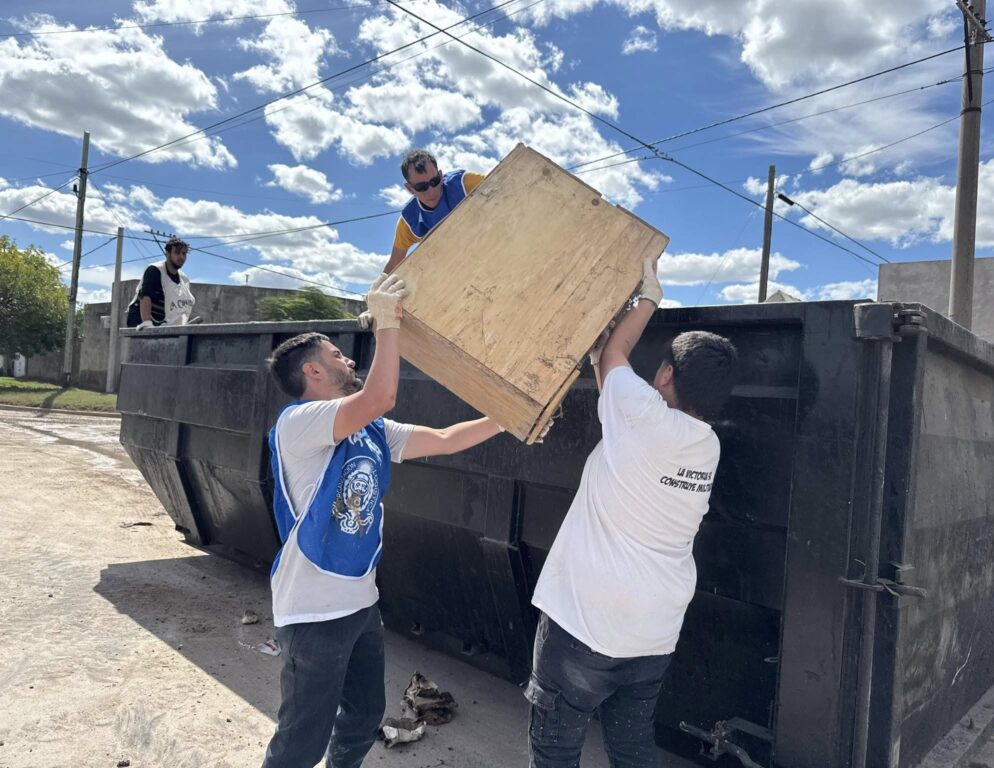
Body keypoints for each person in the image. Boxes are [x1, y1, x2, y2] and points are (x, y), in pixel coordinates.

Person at [261, 272, 503, 768]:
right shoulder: (299, 423)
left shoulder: (370, 428)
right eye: (335, 356)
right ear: (312, 372)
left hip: (360, 602)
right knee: (300, 739)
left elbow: (444, 439)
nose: (347, 359)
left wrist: (511, 417)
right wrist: (388, 323)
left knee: (363, 715)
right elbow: (380, 395)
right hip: (312, 612)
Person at [526, 258, 741, 768]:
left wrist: (647, 298)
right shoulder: (705, 445)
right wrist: (609, 353)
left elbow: (616, 355)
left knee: (555, 750)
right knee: (632, 748)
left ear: (666, 373)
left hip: (587, 623)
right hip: (654, 631)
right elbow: (615, 391)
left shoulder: (643, 415)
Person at [383, 149, 485, 274]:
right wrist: (373, 292)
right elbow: (394, 263)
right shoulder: (409, 222)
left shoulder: (465, 184)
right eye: (422, 187)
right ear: (410, 188)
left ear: (441, 176)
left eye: (434, 182)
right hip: (459, 269)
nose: (431, 191)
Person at [125, 236, 195, 329]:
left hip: (164, 323)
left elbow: (182, 304)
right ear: (167, 253)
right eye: (177, 253)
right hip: (141, 322)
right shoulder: (155, 270)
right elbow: (145, 296)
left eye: (184, 253)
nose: (181, 257)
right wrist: (146, 322)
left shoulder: (184, 279)